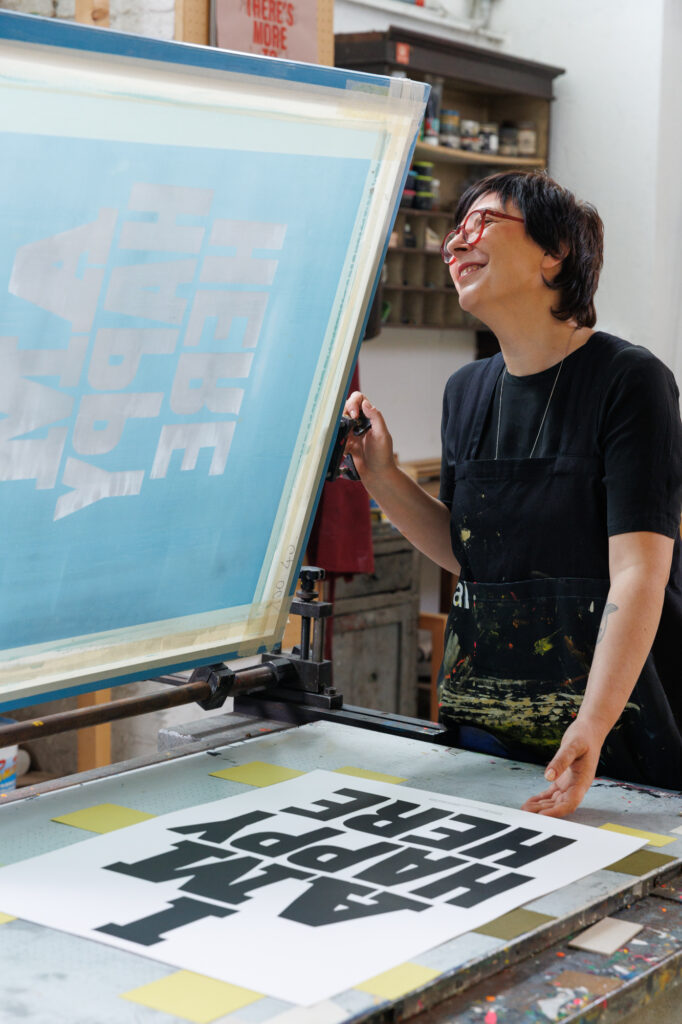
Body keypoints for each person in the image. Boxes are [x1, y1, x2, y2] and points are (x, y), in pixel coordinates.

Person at [344, 170, 682, 818]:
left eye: (484, 222)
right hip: (488, 730)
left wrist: (592, 723)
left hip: (614, 733)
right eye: (455, 229)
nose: (456, 241)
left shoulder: (629, 381)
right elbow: (475, 555)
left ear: (555, 252)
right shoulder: (466, 391)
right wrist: (381, 475)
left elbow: (639, 571)